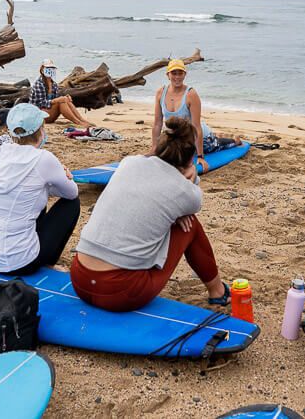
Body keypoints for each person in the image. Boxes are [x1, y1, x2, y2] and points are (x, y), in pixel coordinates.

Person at [70, 117, 229, 311]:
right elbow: (190, 202)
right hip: (120, 292)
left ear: (158, 146)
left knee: (166, 217)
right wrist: (192, 177)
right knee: (190, 224)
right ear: (189, 159)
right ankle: (217, 292)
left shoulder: (129, 163)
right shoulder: (184, 191)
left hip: (79, 279)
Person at [0, 103, 80, 275]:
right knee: (72, 204)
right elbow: (71, 192)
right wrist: (66, 175)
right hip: (18, 262)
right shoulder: (44, 158)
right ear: (40, 130)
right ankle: (48, 262)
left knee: (35, 194)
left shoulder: (1, 152)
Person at [150, 59, 238, 173]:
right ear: (168, 75)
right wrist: (154, 148)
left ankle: (234, 140)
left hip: (201, 138)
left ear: (185, 74)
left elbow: (196, 127)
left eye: (180, 73)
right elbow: (157, 124)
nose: (177, 77)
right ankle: (216, 135)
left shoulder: (191, 94)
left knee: (217, 145)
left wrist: (200, 156)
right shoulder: (160, 93)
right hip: (177, 139)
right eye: (174, 73)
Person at [29, 58, 93, 127]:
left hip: (49, 113)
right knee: (61, 101)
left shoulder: (54, 84)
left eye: (52, 68)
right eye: (48, 68)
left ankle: (81, 120)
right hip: (39, 115)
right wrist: (58, 100)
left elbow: (55, 100)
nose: (50, 70)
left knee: (65, 100)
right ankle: (77, 122)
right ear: (42, 69)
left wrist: (65, 98)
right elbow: (41, 103)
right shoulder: (39, 84)